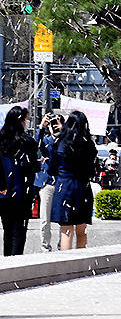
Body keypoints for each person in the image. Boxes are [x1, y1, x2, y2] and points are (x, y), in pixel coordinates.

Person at [50, 110, 98, 250]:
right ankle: (81, 263)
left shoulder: (60, 143)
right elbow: (92, 168)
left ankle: (66, 264)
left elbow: (51, 169)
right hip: (83, 186)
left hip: (64, 186)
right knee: (81, 230)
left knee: (66, 230)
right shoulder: (88, 144)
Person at [0, 106, 39, 256]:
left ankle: (6, 260)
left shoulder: (1, 139)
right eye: (25, 120)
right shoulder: (27, 142)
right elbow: (33, 165)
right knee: (19, 230)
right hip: (21, 190)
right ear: (20, 121)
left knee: (7, 229)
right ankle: (16, 260)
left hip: (3, 191)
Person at [34, 112, 64, 252]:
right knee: (45, 219)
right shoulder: (45, 140)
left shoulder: (66, 140)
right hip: (47, 182)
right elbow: (35, 145)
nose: (55, 127)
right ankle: (45, 247)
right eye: (53, 124)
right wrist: (42, 126)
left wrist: (63, 131)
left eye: (57, 123)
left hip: (62, 183)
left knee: (63, 218)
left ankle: (62, 245)